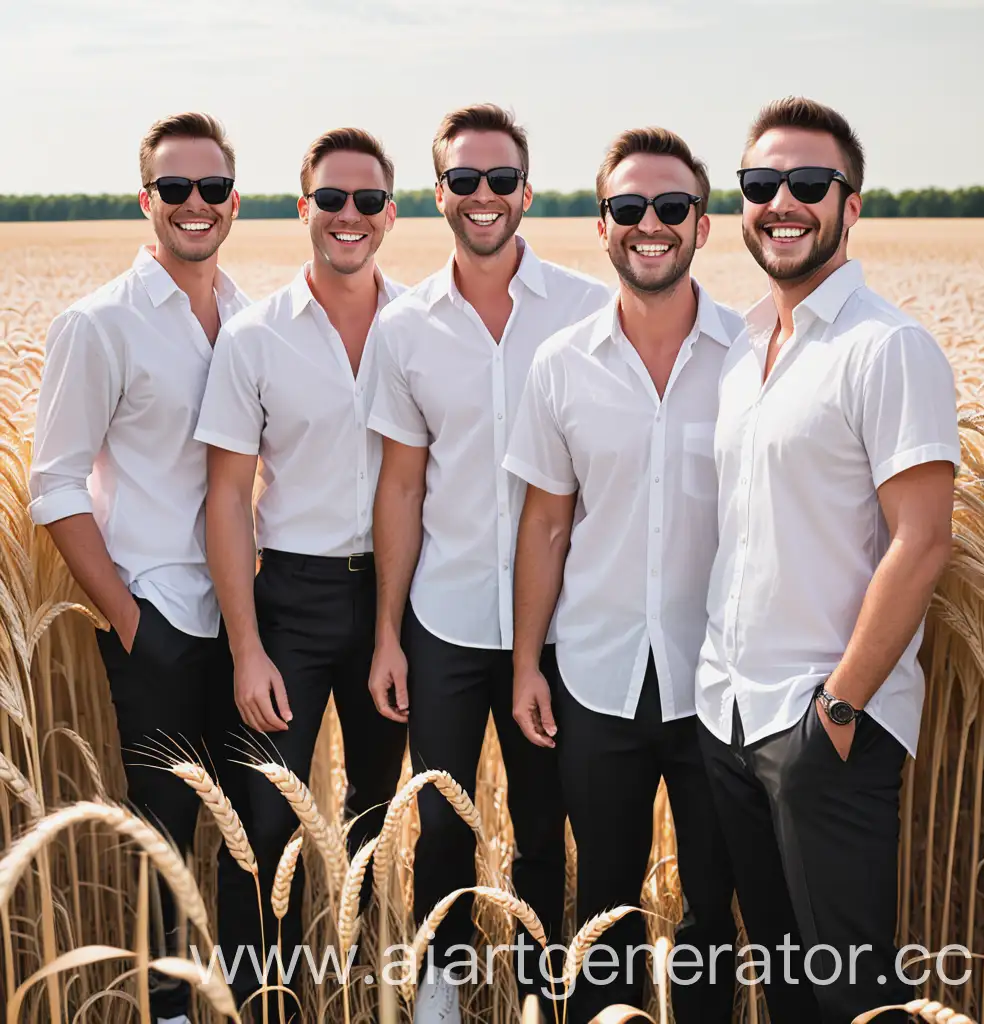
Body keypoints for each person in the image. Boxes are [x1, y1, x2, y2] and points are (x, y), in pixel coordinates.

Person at [696, 96, 960, 1024]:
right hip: (729, 715)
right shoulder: (743, 353)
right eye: (763, 184)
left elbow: (923, 539)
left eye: (810, 184)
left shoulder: (888, 348)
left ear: (852, 204)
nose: (783, 202)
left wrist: (837, 712)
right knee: (785, 992)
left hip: (824, 730)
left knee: (851, 996)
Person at [366, 103, 611, 1023]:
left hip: (557, 628)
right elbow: (399, 490)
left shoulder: (590, 311)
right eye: (464, 181)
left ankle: (549, 991)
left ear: (526, 194)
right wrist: (388, 634)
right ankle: (442, 993)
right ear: (439, 196)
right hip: (445, 620)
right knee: (438, 825)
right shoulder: (406, 329)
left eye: (500, 180)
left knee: (548, 827)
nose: (483, 197)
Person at [504, 127, 740, 1023]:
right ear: (601, 225)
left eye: (671, 207)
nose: (651, 224)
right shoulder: (560, 366)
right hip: (596, 677)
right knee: (605, 903)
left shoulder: (752, 358)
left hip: (719, 681)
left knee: (713, 904)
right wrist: (528, 664)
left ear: (702, 226)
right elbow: (547, 523)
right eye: (629, 207)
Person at [28, 112, 256, 1024]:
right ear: (146, 200)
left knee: (255, 839)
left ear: (234, 201)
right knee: (165, 845)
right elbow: (51, 487)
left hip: (248, 625)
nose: (193, 205)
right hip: (159, 620)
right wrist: (130, 622)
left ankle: (249, 1000)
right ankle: (168, 1012)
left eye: (210, 189)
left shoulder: (248, 318)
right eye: (174, 189)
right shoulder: (99, 325)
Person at [195, 128, 408, 1018]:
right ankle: (257, 1000)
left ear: (391, 214)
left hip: (395, 601)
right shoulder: (254, 338)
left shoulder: (417, 328)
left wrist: (393, 627)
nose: (348, 216)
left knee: (370, 817)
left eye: (366, 201)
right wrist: (245, 646)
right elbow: (225, 498)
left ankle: (360, 991)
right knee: (260, 822)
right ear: (303, 209)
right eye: (331, 199)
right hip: (289, 598)